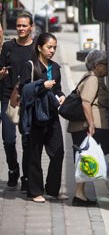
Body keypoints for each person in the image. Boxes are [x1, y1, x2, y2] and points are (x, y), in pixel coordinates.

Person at [19, 32, 66, 203]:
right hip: (35, 116)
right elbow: (23, 90)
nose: (52, 50)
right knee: (34, 154)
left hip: (52, 116)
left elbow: (58, 89)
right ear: (39, 47)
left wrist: (61, 95)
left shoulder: (55, 68)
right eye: (49, 47)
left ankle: (52, 189)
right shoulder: (30, 66)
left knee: (58, 151)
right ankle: (35, 191)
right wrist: (41, 85)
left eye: (54, 47)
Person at [67, 49, 109, 207]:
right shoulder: (92, 79)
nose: (107, 68)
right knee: (87, 158)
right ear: (97, 65)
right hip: (87, 127)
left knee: (86, 158)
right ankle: (79, 195)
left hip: (88, 127)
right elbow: (86, 102)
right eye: (106, 65)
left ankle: (80, 195)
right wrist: (91, 124)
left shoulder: (95, 78)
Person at [0, 12, 35, 189]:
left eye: (24, 26)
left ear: (31, 27)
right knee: (8, 139)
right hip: (8, 97)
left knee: (28, 139)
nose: (21, 29)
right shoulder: (8, 46)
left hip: (29, 100)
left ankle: (27, 177)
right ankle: (13, 169)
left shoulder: (36, 47)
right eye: (19, 25)